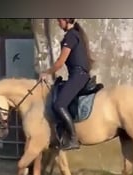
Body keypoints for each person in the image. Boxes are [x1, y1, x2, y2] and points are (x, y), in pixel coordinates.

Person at [39, 18, 95, 151]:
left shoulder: (70, 36)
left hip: (78, 76)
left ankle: (73, 139)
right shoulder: (76, 34)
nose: (58, 23)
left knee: (59, 104)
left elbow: (60, 62)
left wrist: (46, 73)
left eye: (60, 21)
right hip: (77, 75)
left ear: (67, 20)